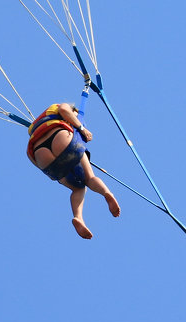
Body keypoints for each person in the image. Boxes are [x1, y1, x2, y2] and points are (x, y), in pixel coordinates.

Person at [27, 102, 121, 239]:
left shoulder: (33, 128)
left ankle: (78, 218)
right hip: (60, 138)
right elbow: (66, 110)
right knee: (89, 178)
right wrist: (82, 128)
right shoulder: (62, 106)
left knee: (77, 189)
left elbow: (29, 154)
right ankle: (107, 193)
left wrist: (50, 173)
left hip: (41, 154)